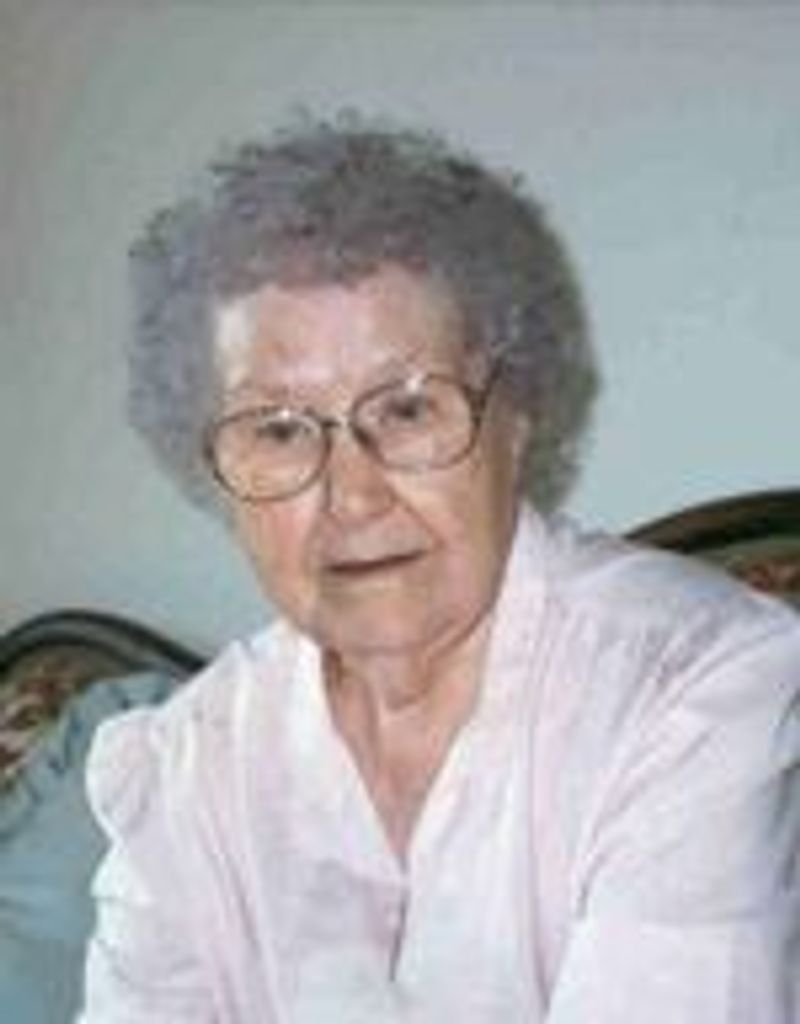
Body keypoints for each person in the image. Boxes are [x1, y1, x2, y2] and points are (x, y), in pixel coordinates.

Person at [78, 116, 799, 1023]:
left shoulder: (690, 688)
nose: (351, 495)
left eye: (410, 409)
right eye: (278, 429)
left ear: (518, 417)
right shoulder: (186, 766)